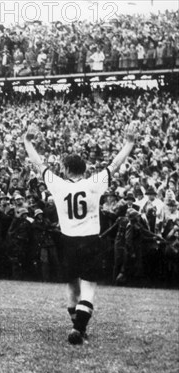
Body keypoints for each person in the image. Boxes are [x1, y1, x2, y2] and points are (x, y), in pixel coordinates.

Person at [23, 121, 137, 345]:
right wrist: (129, 143)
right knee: (88, 288)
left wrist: (27, 141)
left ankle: (78, 327)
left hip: (67, 242)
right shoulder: (94, 183)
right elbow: (114, 164)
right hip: (90, 240)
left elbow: (38, 163)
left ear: (65, 170)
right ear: (84, 170)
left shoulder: (58, 185)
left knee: (71, 287)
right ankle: (79, 329)